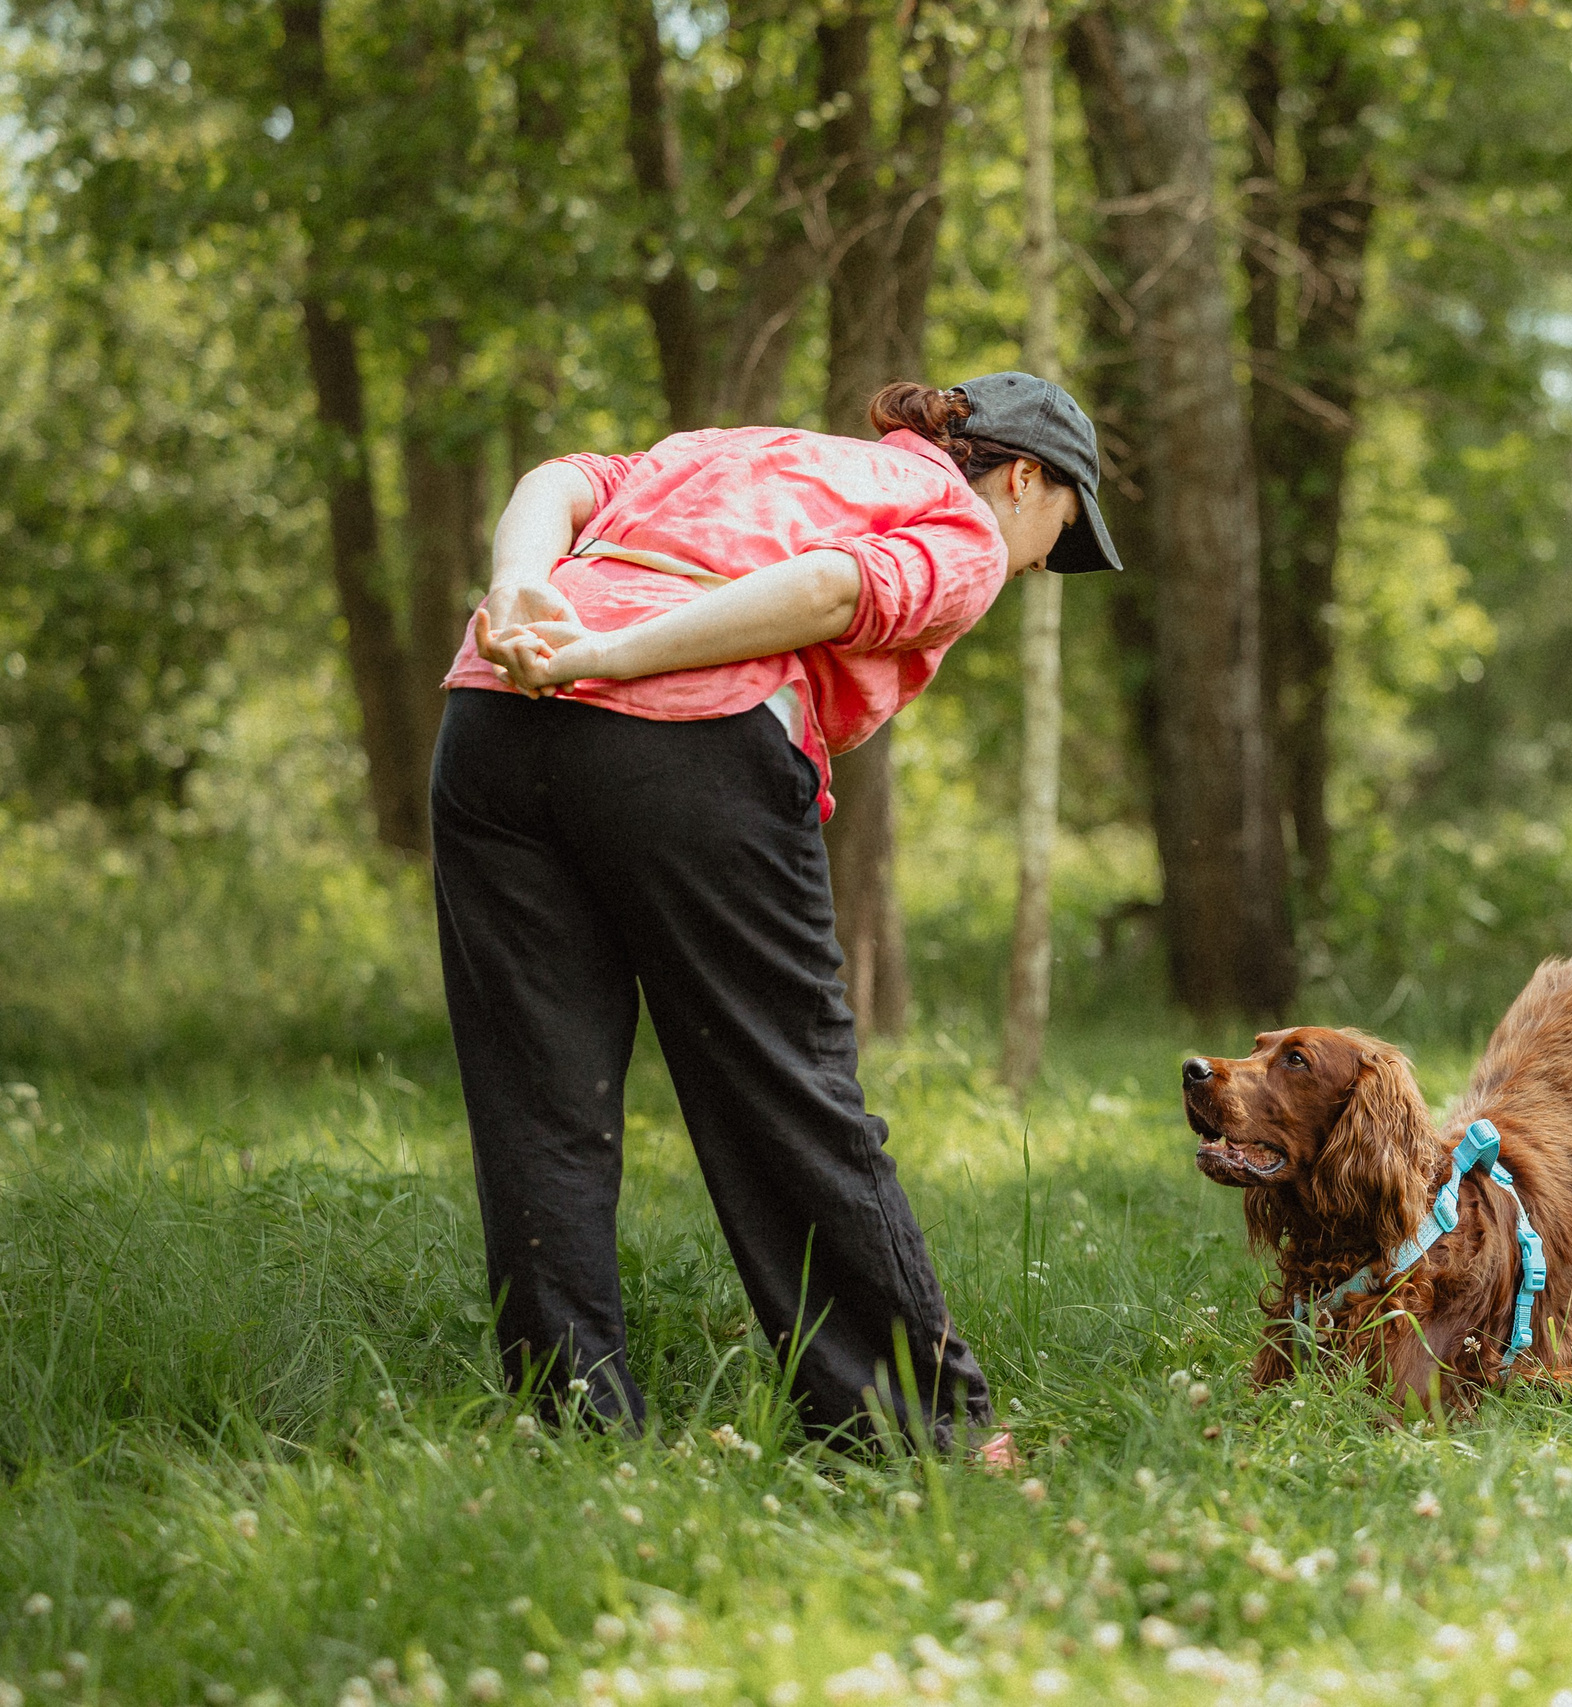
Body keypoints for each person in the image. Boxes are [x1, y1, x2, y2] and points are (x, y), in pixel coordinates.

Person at [432, 372, 1121, 1456]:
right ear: (1023, 476)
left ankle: (573, 1432)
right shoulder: (964, 529)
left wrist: (519, 588)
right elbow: (829, 592)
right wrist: (610, 658)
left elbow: (556, 481)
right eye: (1059, 532)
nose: (1040, 564)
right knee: (786, 1087)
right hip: (678, 740)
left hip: (488, 718)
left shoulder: (739, 446)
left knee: (538, 1099)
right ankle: (915, 1435)